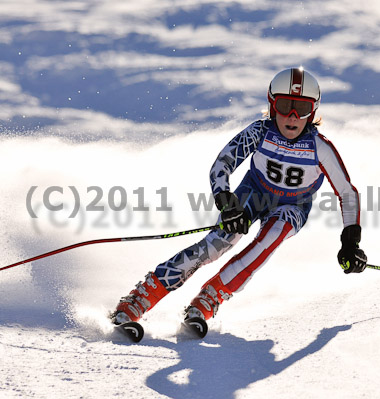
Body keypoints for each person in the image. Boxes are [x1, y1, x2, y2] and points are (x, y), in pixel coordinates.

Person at [110, 67, 367, 338]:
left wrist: (350, 243)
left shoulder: (320, 147)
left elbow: (347, 193)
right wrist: (227, 204)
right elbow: (222, 165)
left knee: (273, 235)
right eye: (284, 106)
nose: (292, 116)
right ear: (272, 105)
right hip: (253, 193)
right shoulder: (259, 132)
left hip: (293, 205)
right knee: (216, 245)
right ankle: (137, 300)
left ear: (312, 112)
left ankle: (208, 300)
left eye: (301, 108)